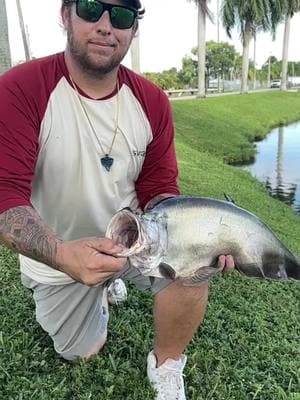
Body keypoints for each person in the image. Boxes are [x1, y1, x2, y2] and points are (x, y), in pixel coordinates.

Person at [0, 0, 234, 398]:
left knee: (194, 265)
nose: (107, 25)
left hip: (135, 242)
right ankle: (98, 291)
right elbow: (5, 192)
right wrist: (60, 253)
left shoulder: (151, 101)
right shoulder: (21, 88)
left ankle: (166, 366)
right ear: (65, 14)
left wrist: (197, 237)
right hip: (59, 254)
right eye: (92, 9)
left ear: (133, 29)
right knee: (80, 353)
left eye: (122, 15)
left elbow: (160, 187)